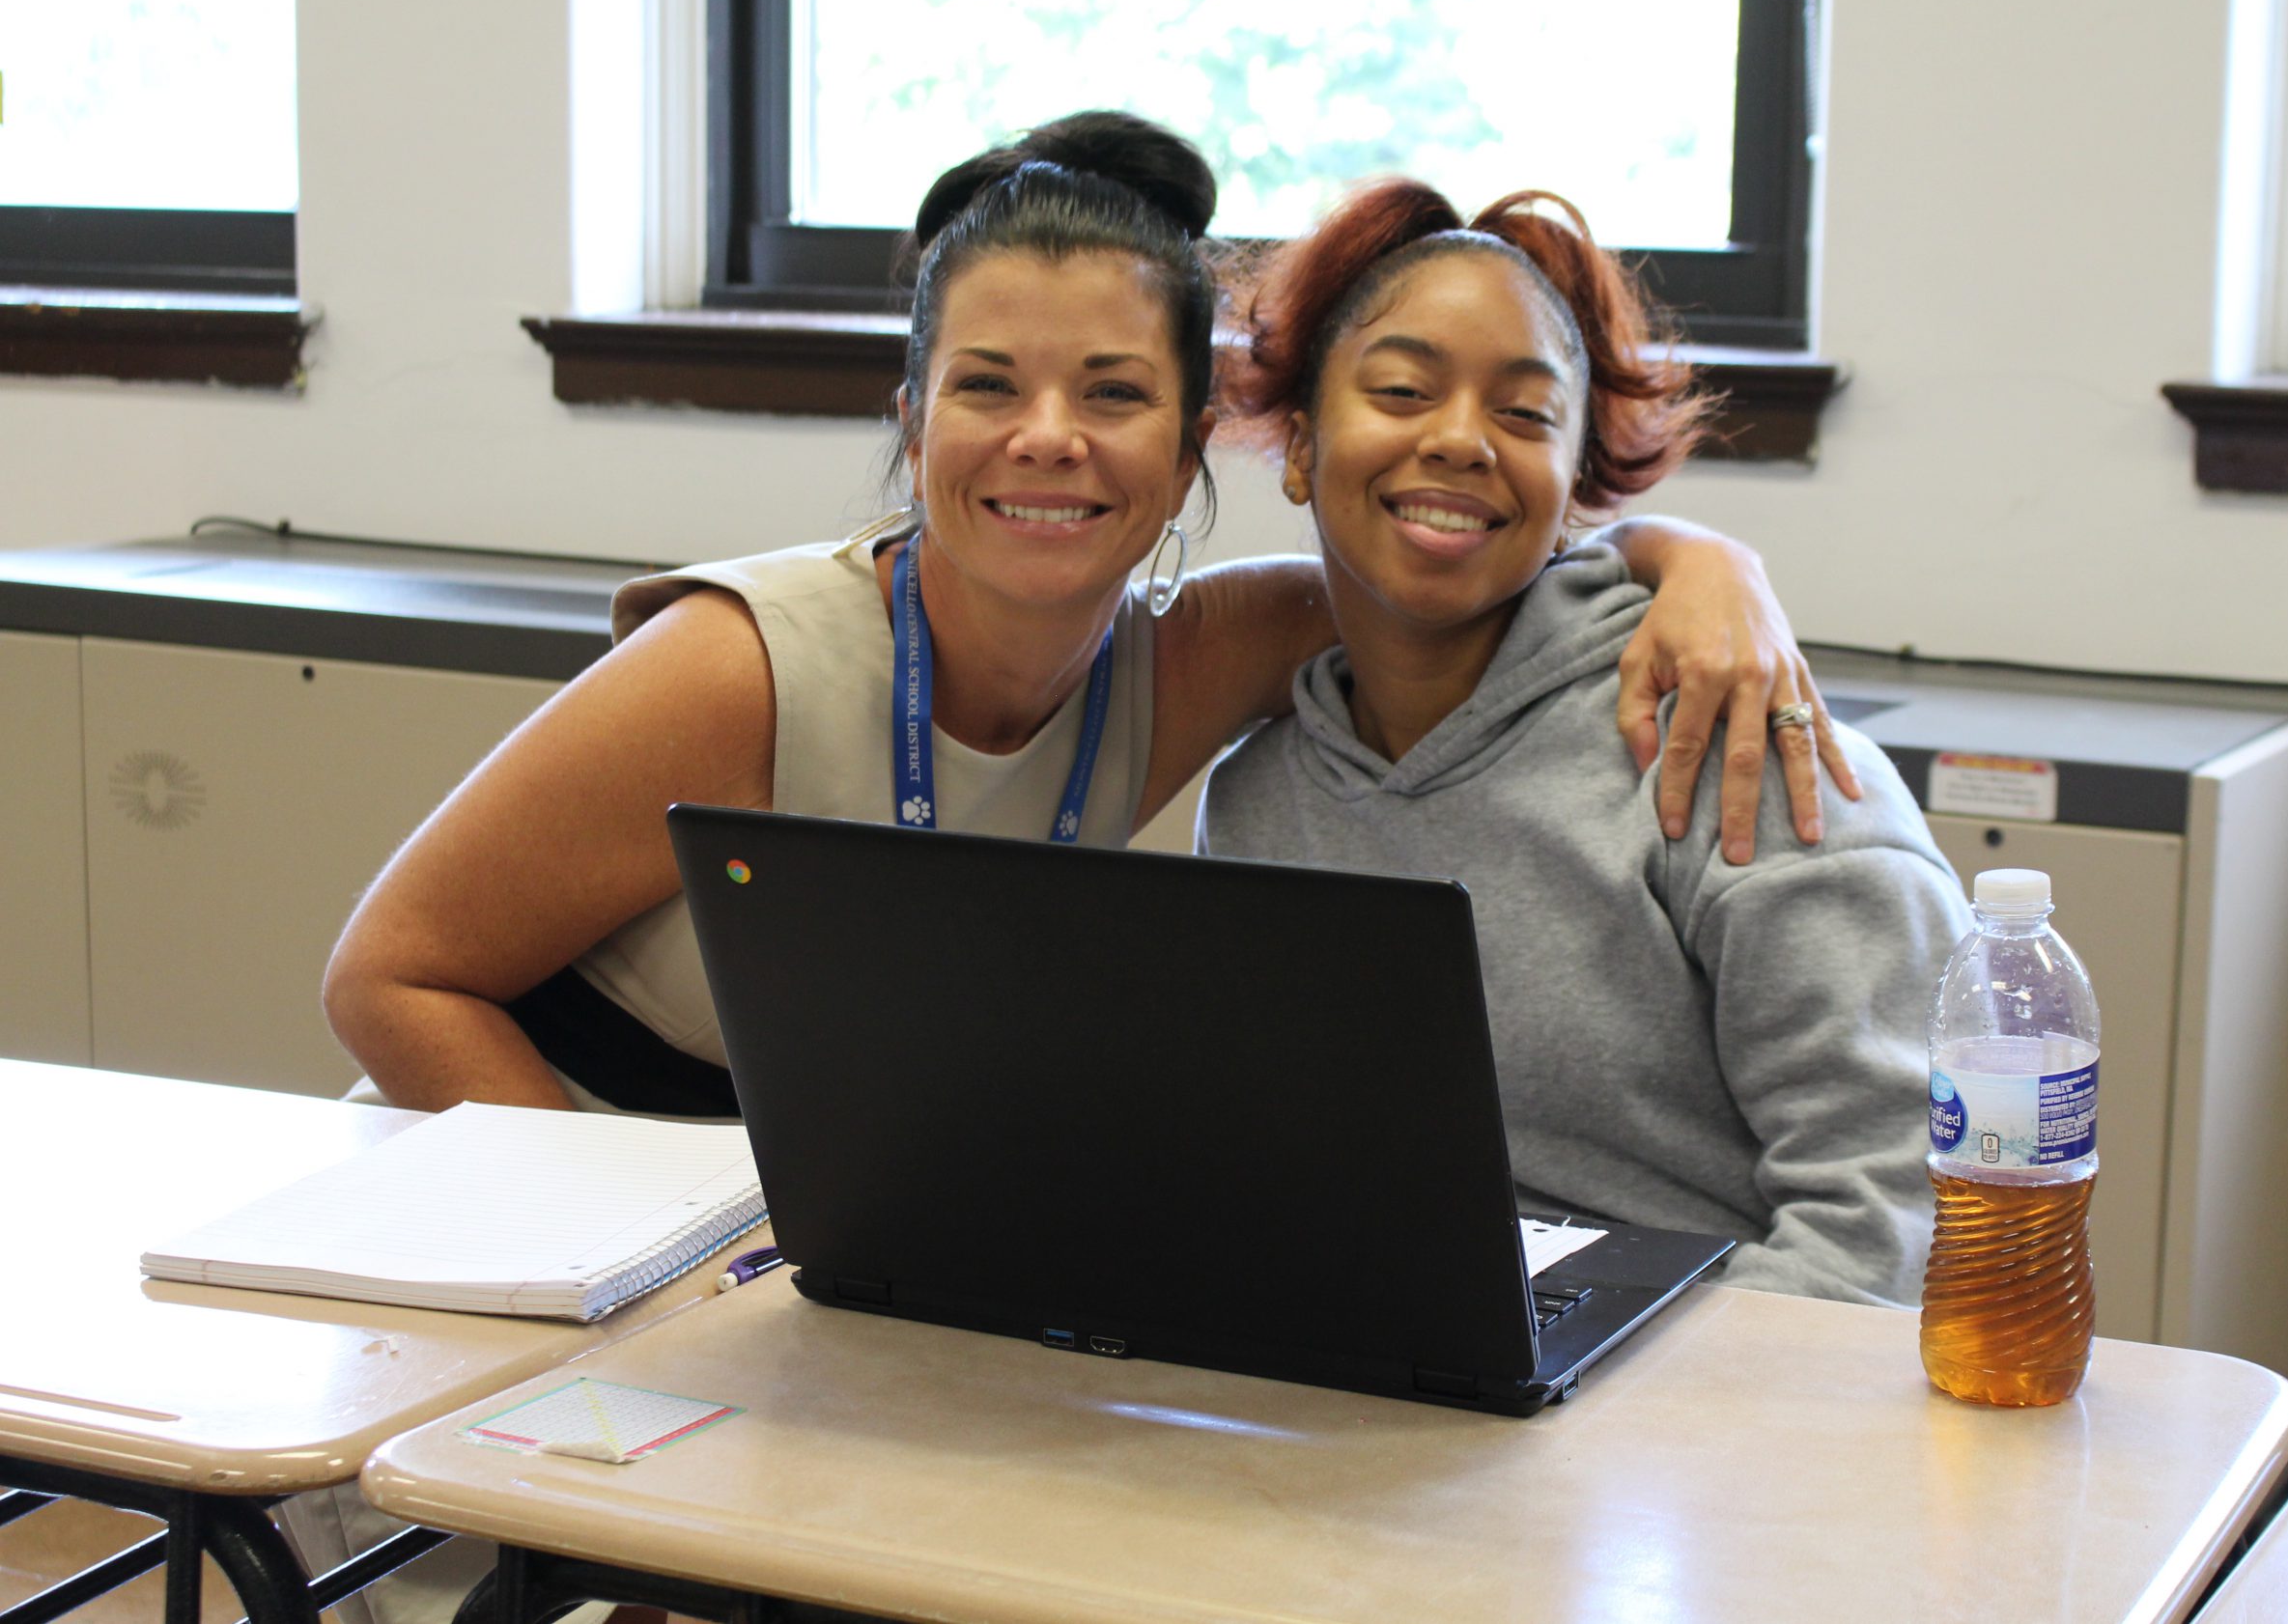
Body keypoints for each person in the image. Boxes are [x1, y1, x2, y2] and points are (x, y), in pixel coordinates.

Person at [324, 112, 1851, 1119]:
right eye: (989, 386)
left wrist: (1695, 555)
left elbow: (1441, 557)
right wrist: (650, 1256)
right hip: (524, 1181)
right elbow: (386, 977)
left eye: (1114, 394)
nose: (1048, 438)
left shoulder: (1196, 656)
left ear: (1197, 442)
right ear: (913, 417)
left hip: (792, 1229)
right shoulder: (744, 666)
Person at [1200, 180, 1973, 1307]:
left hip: (1701, 1416)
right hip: (1384, 1395)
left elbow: (1904, 1212)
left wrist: (1616, 1434)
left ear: (1571, 490)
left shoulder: (1731, 745)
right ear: (1302, 444)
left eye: (1523, 415)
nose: (1460, 441)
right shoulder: (1261, 795)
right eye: (1404, 389)